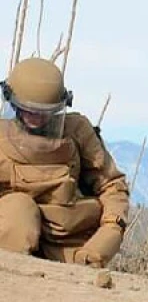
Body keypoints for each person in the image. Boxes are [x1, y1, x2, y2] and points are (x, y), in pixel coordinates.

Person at [0, 57, 130, 266]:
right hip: (11, 240)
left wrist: (107, 237)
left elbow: (112, 187)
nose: (35, 117)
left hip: (69, 245)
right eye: (28, 110)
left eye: (43, 112)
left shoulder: (77, 132)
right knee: (18, 208)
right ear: (12, 103)